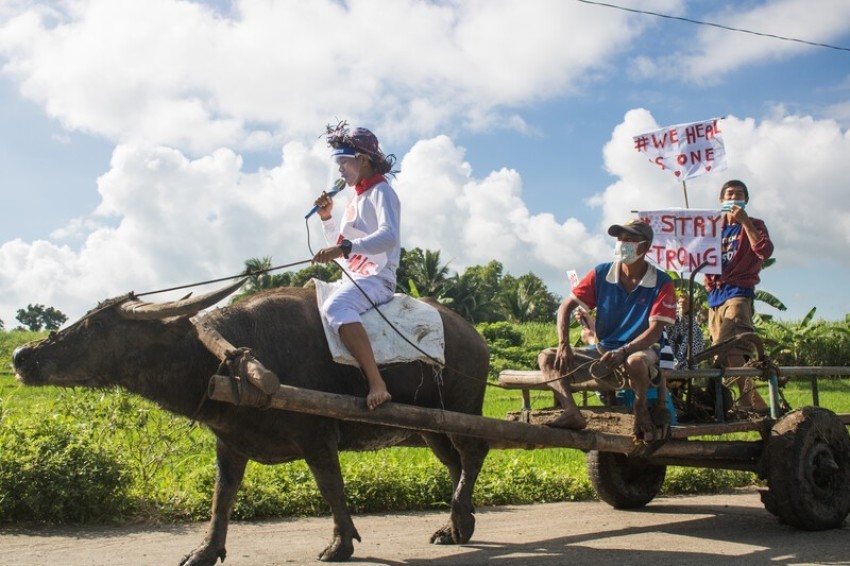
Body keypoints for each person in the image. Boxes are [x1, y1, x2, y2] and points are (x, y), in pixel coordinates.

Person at [538, 219, 676, 441]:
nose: (623, 244)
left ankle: (640, 409)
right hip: (603, 349)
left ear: (645, 246)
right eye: (621, 239)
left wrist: (624, 351)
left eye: (630, 240)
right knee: (547, 357)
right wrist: (563, 343)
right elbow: (566, 306)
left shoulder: (661, 281)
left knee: (635, 362)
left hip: (644, 349)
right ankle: (571, 411)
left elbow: (654, 330)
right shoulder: (602, 273)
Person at [311, 122, 400, 410]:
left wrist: (346, 247)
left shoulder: (382, 193)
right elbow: (342, 248)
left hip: (378, 277)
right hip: (356, 276)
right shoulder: (357, 198)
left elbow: (389, 236)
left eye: (344, 162)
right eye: (337, 164)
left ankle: (376, 382)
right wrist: (327, 218)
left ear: (363, 160)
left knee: (336, 308)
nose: (339, 170)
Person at [704, 179, 774, 413]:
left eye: (739, 194)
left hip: (738, 293)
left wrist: (745, 223)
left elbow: (764, 250)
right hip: (715, 296)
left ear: (745, 200)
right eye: (729, 194)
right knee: (719, 352)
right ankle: (740, 399)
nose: (734, 197)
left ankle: (753, 404)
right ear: (721, 200)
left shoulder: (754, 224)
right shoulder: (714, 229)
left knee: (732, 346)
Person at [666, 292, 706, 369]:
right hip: (670, 362)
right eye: (681, 302)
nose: (683, 303)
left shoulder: (694, 328)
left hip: (686, 365)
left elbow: (691, 344)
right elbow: (668, 339)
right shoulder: (672, 320)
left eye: (686, 302)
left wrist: (680, 362)